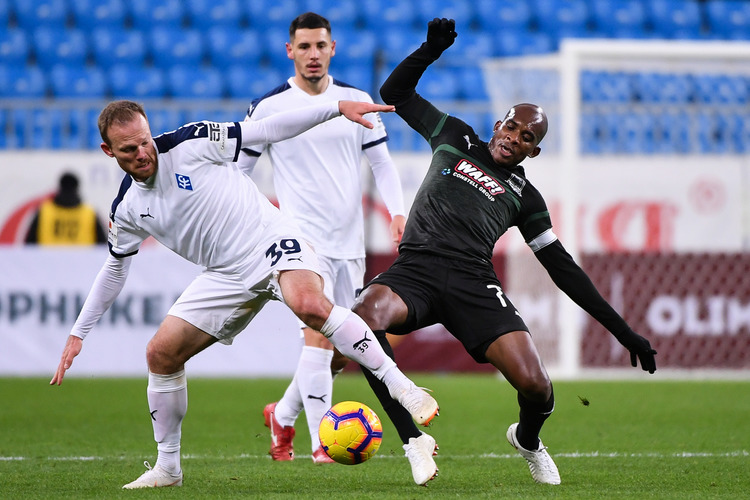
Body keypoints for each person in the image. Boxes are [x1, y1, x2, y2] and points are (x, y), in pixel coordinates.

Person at [49, 99, 439, 489]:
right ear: (109, 151)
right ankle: (168, 468)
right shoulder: (128, 208)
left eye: (144, 141)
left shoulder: (191, 142)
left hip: (269, 240)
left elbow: (267, 129)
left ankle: (402, 388)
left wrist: (335, 108)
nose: (142, 153)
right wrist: (78, 332)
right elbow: (115, 267)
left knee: (309, 305)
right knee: (160, 354)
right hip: (223, 274)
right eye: (128, 149)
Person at [345, 18, 658, 486]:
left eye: (527, 137)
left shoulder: (526, 198)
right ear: (499, 125)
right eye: (512, 127)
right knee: (362, 316)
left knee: (536, 385)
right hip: (417, 270)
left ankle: (528, 440)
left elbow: (564, 271)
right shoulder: (455, 136)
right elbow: (396, 92)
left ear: (533, 152)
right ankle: (413, 438)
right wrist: (430, 50)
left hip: (474, 283)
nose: (515, 137)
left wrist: (624, 332)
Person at [237, 12, 436, 483]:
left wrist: (397, 212)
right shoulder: (268, 108)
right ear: (290, 51)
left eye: (320, 45)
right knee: (319, 335)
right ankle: (320, 444)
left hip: (349, 242)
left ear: (333, 48)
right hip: (300, 243)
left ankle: (282, 413)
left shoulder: (357, 100)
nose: (313, 54)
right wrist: (256, 226)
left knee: (342, 351)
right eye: (304, 46)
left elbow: (382, 164)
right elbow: (239, 174)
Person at [25, 171, 107, 245]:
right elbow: (102, 246)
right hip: (82, 257)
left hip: (48, 257)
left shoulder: (44, 211)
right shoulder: (89, 213)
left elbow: (29, 246)